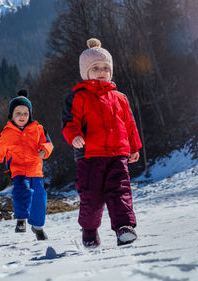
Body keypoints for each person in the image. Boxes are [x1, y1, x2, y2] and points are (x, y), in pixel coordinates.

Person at [62, 38, 142, 248]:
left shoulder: (119, 97)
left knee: (120, 191)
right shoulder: (77, 97)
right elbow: (69, 122)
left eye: (106, 68)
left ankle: (124, 228)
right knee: (91, 197)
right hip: (89, 156)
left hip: (117, 154)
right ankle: (89, 232)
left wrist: (134, 147)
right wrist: (74, 136)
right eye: (95, 67)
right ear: (85, 72)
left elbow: (129, 124)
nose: (101, 71)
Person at [0, 89, 53, 240]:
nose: (22, 117)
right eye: (18, 113)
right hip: (18, 170)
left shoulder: (38, 129)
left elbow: (48, 143)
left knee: (39, 198)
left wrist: (44, 151)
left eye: (25, 113)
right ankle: (21, 220)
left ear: (30, 115)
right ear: (11, 115)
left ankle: (38, 227)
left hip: (36, 170)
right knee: (22, 191)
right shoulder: (7, 133)